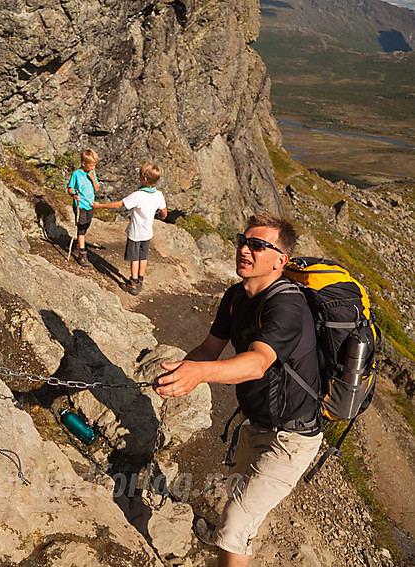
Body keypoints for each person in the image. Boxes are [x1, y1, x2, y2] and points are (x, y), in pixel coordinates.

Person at [155, 214, 322, 567]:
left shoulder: (287, 305)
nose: (245, 249)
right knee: (236, 499)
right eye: (242, 241)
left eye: (258, 245)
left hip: (291, 439)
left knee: (234, 526)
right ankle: (231, 537)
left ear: (281, 261)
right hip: (255, 424)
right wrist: (181, 372)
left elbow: (258, 362)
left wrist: (201, 374)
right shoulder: (236, 295)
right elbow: (209, 348)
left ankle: (231, 539)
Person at [93, 163, 167, 295]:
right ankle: (141, 280)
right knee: (143, 257)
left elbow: (119, 204)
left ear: (144, 179)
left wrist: (100, 206)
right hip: (147, 233)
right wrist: (161, 216)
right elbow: (164, 212)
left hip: (135, 233)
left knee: (134, 258)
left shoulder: (138, 195)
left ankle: (133, 283)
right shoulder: (158, 195)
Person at [67, 148, 100, 266]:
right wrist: (74, 194)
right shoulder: (76, 174)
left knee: (86, 226)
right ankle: (82, 253)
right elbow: (70, 188)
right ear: (84, 163)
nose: (93, 168)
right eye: (91, 165)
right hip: (80, 205)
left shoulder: (92, 173)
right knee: (81, 228)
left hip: (90, 204)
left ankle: (79, 244)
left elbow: (96, 188)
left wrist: (92, 178)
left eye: (95, 165)